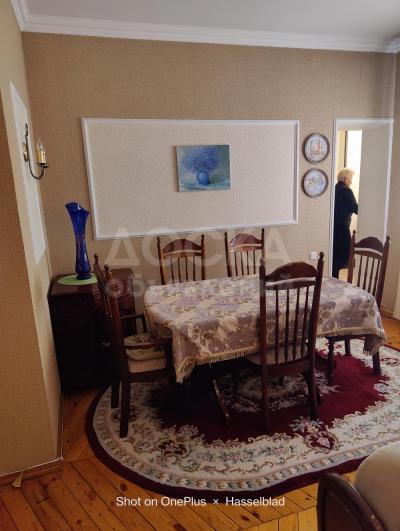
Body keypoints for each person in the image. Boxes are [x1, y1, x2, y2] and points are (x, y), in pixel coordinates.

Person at [332, 168, 358, 278]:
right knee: (346, 254)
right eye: (351, 179)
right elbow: (356, 208)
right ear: (346, 179)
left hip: (333, 228)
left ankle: (334, 277)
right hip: (342, 229)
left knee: (334, 256)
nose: (351, 182)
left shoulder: (333, 189)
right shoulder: (347, 191)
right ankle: (336, 277)